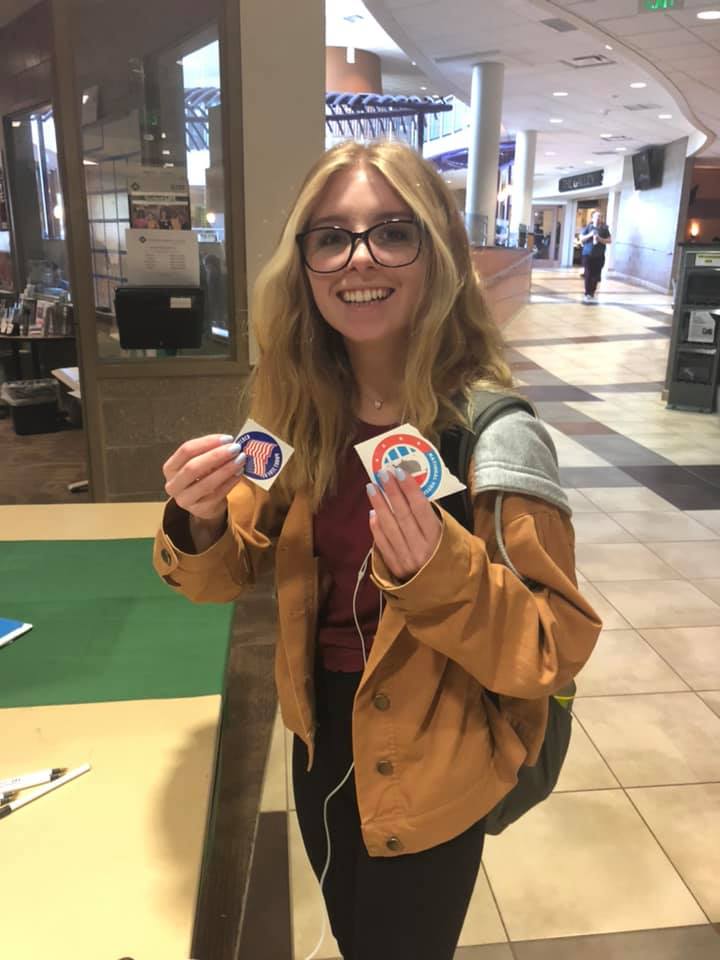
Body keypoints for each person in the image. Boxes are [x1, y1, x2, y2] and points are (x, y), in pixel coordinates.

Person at [153, 140, 600, 960]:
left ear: (439, 254)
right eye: (330, 236)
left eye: (392, 231)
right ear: (305, 265)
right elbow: (221, 576)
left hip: (435, 756)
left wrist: (442, 575)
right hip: (319, 735)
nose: (358, 258)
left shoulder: (493, 436)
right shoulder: (296, 414)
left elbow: (554, 647)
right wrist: (200, 518)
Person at [579, 209, 611, 303]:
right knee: (588, 273)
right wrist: (590, 235)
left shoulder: (604, 229)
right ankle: (587, 293)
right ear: (592, 218)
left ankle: (592, 292)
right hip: (587, 255)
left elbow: (609, 240)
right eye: (596, 217)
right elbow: (581, 239)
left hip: (599, 255)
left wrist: (599, 238)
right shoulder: (588, 227)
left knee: (596, 275)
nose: (598, 218)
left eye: (600, 217)